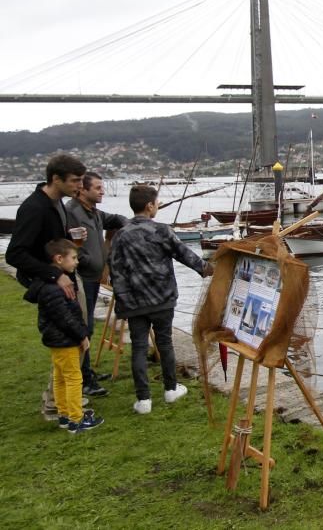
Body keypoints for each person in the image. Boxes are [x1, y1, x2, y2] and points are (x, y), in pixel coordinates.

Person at [109, 184, 213, 415]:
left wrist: (122, 300)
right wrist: (208, 269)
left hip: (134, 303)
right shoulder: (161, 231)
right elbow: (185, 255)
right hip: (162, 299)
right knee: (164, 343)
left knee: (138, 346)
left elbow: (114, 270)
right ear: (149, 206)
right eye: (156, 203)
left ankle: (143, 399)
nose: (157, 206)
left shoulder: (120, 236)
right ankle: (170, 388)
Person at [7, 153, 89, 421]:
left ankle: (64, 399)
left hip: (61, 275)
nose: (80, 186)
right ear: (56, 178)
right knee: (70, 337)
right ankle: (57, 404)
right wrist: (54, 276)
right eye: (75, 180)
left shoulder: (58, 204)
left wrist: (69, 242)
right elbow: (15, 254)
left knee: (76, 336)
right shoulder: (35, 207)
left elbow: (51, 242)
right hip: (52, 283)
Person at [24, 239, 105, 434]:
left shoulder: (48, 284)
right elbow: (65, 318)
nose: (77, 262)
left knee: (60, 377)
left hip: (56, 340)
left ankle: (64, 414)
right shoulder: (55, 289)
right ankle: (76, 419)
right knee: (73, 378)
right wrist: (82, 335)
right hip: (66, 340)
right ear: (59, 259)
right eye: (74, 258)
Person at [66, 171, 129, 397]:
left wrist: (130, 224)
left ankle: (86, 371)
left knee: (88, 325)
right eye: (98, 188)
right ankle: (83, 379)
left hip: (93, 279)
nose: (102, 191)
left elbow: (115, 219)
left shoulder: (94, 213)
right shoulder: (71, 212)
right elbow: (66, 244)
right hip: (81, 278)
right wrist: (82, 262)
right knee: (83, 326)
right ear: (83, 190)